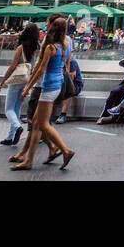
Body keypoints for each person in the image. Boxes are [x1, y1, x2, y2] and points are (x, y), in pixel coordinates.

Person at [12, 19, 75, 171]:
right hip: (57, 84)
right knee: (36, 124)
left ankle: (65, 150)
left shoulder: (51, 48)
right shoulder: (65, 46)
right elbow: (65, 65)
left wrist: (28, 87)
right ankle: (29, 159)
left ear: (53, 28)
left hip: (48, 87)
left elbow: (40, 69)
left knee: (43, 124)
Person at [0, 22, 38, 146]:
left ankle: (17, 127)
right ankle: (10, 136)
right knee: (16, 108)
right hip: (26, 80)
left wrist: (2, 83)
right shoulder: (36, 48)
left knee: (8, 109)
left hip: (16, 80)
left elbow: (13, 66)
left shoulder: (21, 48)